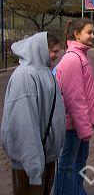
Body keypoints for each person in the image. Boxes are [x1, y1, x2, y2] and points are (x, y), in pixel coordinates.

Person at [1, 32, 66, 195]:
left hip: (45, 158)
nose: (57, 56)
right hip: (31, 165)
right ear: (40, 50)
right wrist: (33, 166)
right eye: (54, 51)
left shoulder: (44, 71)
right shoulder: (25, 77)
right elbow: (23, 126)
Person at [53, 18, 94, 195]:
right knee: (66, 167)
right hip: (72, 127)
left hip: (79, 126)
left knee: (77, 165)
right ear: (77, 34)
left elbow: (88, 94)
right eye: (89, 32)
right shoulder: (73, 59)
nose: (93, 35)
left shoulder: (81, 56)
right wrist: (85, 129)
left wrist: (92, 120)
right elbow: (75, 99)